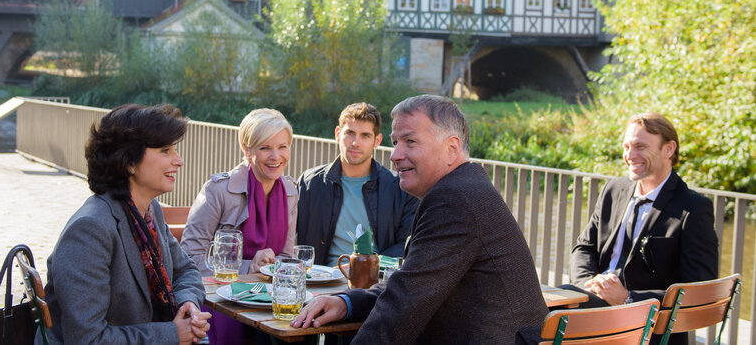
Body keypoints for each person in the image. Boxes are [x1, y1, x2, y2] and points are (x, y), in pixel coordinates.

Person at [291, 94, 547, 344]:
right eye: (395, 143)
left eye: (410, 142)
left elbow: (403, 304)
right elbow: (411, 281)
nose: (395, 155)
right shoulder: (462, 188)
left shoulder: (454, 198)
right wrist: (346, 302)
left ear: (451, 148)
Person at [43, 104, 210, 344]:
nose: (179, 160)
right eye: (165, 150)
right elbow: (87, 339)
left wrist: (188, 304)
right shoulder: (89, 231)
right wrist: (172, 334)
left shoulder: (149, 213)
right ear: (129, 162)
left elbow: (185, 270)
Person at [565, 112, 718, 345]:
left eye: (639, 146)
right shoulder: (613, 190)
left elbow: (698, 291)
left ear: (668, 150)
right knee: (532, 312)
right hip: (594, 306)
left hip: (649, 329)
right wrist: (591, 282)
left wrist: (628, 299)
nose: (629, 155)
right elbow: (584, 247)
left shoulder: (693, 209)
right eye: (626, 146)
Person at [180, 108, 299, 345]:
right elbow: (189, 257)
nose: (276, 156)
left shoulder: (290, 191)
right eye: (265, 148)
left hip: (266, 299)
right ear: (247, 150)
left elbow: (285, 255)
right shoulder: (219, 189)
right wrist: (248, 267)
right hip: (221, 299)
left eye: (283, 146)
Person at [297, 102, 417, 267]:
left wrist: (365, 266)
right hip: (320, 279)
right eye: (350, 133)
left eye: (365, 135)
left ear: (377, 140)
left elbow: (407, 245)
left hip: (373, 283)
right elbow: (290, 237)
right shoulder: (310, 183)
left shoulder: (400, 188)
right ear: (338, 134)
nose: (355, 143)